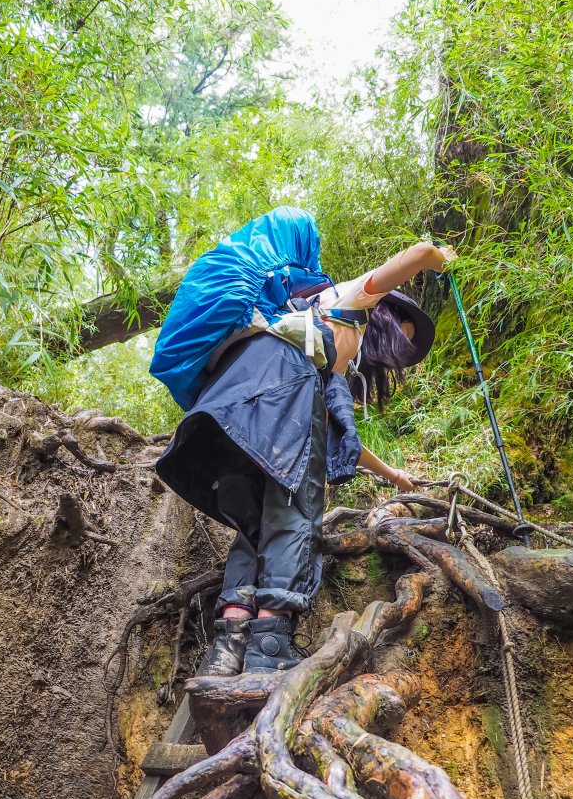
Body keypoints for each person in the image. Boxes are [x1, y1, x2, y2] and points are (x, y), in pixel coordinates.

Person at [154, 236, 457, 676]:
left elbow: (337, 437)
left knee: (252, 524)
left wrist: (392, 475)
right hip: (278, 402)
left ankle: (228, 646)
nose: (400, 350)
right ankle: (271, 643)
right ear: (389, 318)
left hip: (231, 408)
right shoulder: (348, 303)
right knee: (293, 513)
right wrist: (438, 259)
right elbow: (411, 258)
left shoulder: (304, 331)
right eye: (404, 336)